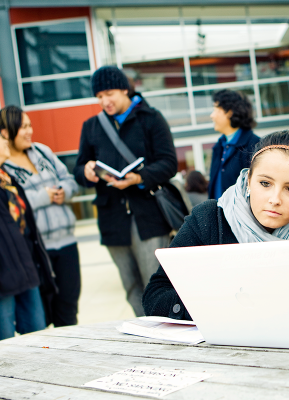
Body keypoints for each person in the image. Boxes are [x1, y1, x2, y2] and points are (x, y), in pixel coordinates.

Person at [143, 130, 289, 319]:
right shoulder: (208, 218)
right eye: (265, 183)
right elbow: (155, 295)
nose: (275, 199)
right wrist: (217, 303)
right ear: (249, 180)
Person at [74, 66, 178, 317]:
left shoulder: (151, 118)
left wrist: (139, 177)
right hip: (113, 219)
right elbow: (79, 168)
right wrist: (86, 171)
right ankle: (145, 328)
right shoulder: (91, 126)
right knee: (130, 285)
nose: (104, 101)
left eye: (109, 93)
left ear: (124, 89)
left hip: (148, 216)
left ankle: (165, 326)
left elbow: (169, 163)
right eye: (98, 96)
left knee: (155, 282)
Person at [1, 105, 81, 327]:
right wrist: (42, 197)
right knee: (42, 312)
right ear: (6, 132)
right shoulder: (3, 165)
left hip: (66, 242)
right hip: (37, 248)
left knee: (68, 308)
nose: (29, 132)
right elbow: (11, 205)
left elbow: (70, 179)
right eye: (22, 127)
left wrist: (65, 191)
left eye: (30, 126)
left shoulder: (43, 151)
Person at [0, 134, 57, 339]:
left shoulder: (8, 179)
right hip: (3, 275)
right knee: (5, 343)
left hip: (25, 266)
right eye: (0, 138)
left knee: (37, 335)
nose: (6, 141)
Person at [208, 89, 260, 199]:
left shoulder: (255, 146)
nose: (212, 116)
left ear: (230, 112)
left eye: (216, 109)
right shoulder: (218, 147)